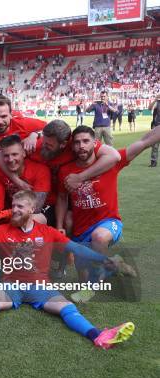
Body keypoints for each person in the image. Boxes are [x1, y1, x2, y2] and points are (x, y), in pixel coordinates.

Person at [0, 190, 135, 350]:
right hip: (11, 285)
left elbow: (77, 249)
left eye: (19, 206)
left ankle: (99, 336)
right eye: (13, 205)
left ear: (32, 209)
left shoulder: (47, 232)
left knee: (67, 308)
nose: (14, 210)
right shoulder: (1, 231)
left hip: (40, 286)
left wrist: (104, 258)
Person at [57, 125, 160, 302]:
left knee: (99, 237)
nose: (81, 146)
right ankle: (114, 263)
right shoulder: (66, 171)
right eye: (77, 142)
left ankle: (101, 277)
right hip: (81, 229)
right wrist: (59, 226)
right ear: (72, 146)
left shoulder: (110, 162)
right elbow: (62, 198)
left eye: (86, 141)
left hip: (108, 222)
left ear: (95, 143)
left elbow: (143, 142)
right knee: (84, 276)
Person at [148, 96, 160, 167]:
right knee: (155, 145)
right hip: (157, 125)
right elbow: (149, 108)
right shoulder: (157, 103)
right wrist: (155, 99)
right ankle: (153, 161)